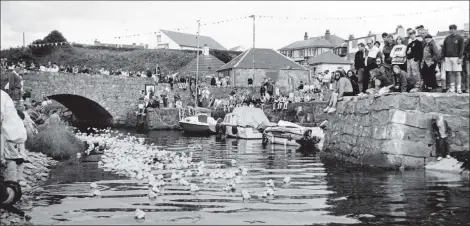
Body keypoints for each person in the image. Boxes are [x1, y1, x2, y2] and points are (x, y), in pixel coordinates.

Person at [1, 90, 28, 183]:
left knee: (14, 161)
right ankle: (13, 181)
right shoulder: (13, 124)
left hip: (12, 148)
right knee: (13, 162)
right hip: (11, 148)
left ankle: (14, 179)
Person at [441, 24, 465, 94]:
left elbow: (462, 49)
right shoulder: (447, 38)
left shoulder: (460, 38)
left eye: (453, 29)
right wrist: (443, 57)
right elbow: (443, 48)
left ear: (456, 29)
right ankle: (452, 88)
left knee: (457, 73)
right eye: (450, 29)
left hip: (456, 58)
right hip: (447, 58)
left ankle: (458, 88)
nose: (451, 30)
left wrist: (460, 58)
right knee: (450, 73)